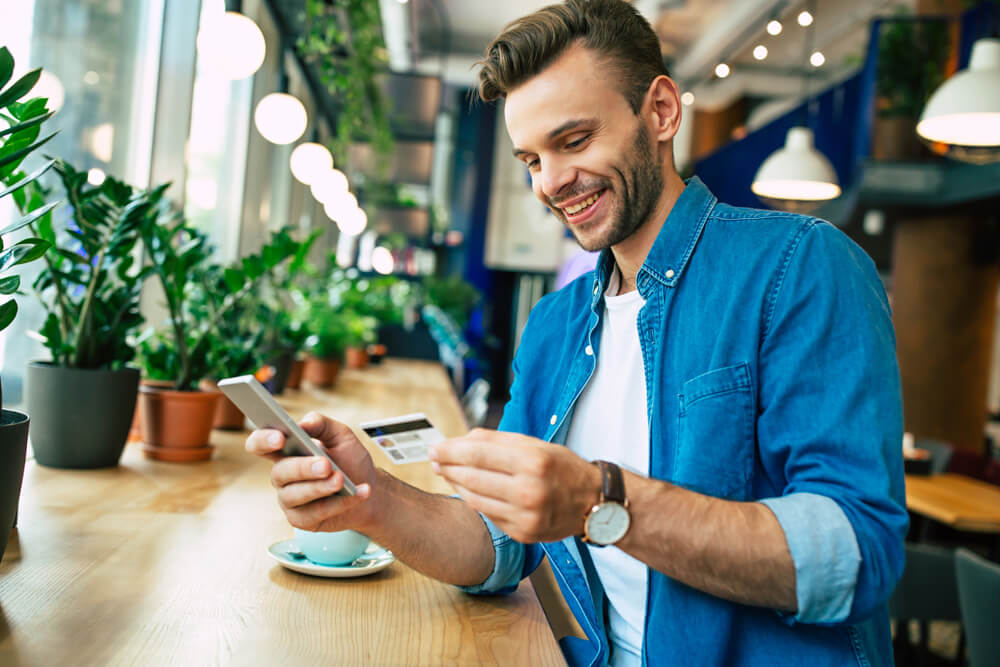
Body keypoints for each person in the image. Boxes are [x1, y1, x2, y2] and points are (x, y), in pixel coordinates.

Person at [246, 1, 908, 665]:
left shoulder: (801, 268)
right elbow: (502, 544)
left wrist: (600, 499)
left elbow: (857, 552)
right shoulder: (556, 323)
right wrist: (369, 497)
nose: (550, 184)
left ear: (661, 113)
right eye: (531, 159)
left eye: (573, 141)